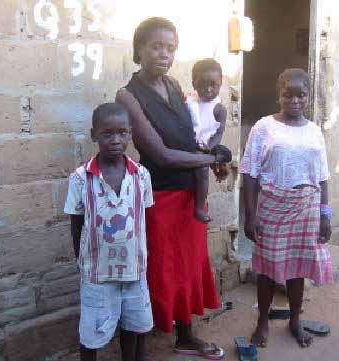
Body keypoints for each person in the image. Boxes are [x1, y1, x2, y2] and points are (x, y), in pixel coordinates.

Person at [116, 17, 232, 360]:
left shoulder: (176, 86)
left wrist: (214, 159)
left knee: (190, 265)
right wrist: (208, 160)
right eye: (156, 46)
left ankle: (185, 336)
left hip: (190, 197)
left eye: (170, 48)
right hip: (161, 196)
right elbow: (160, 154)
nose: (164, 54)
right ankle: (141, 345)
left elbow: (195, 138)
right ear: (139, 50)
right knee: (162, 269)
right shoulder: (128, 95)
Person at [240, 68, 333, 348]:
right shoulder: (264, 127)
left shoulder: (314, 130)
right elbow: (249, 171)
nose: (294, 101)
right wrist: (250, 214)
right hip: (273, 207)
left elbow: (323, 174)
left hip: (307, 208)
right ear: (278, 95)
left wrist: (325, 214)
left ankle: (295, 320)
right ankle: (262, 322)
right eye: (287, 94)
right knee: (268, 270)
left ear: (308, 97)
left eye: (300, 95)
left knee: (297, 269)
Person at [64, 103, 154, 361]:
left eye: (122, 133)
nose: (115, 140)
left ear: (130, 134)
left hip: (134, 269)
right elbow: (76, 223)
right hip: (97, 272)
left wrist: (144, 257)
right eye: (107, 134)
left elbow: (143, 220)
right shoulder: (81, 178)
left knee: (134, 325)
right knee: (91, 332)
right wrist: (81, 262)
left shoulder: (141, 176)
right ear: (94, 135)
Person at [186, 58, 227, 223]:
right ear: (194, 83)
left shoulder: (218, 108)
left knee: (202, 171)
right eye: (203, 84)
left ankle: (199, 207)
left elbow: (219, 133)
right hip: (186, 143)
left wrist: (209, 148)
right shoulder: (189, 101)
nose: (208, 89)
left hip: (205, 147)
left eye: (214, 85)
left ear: (220, 83)